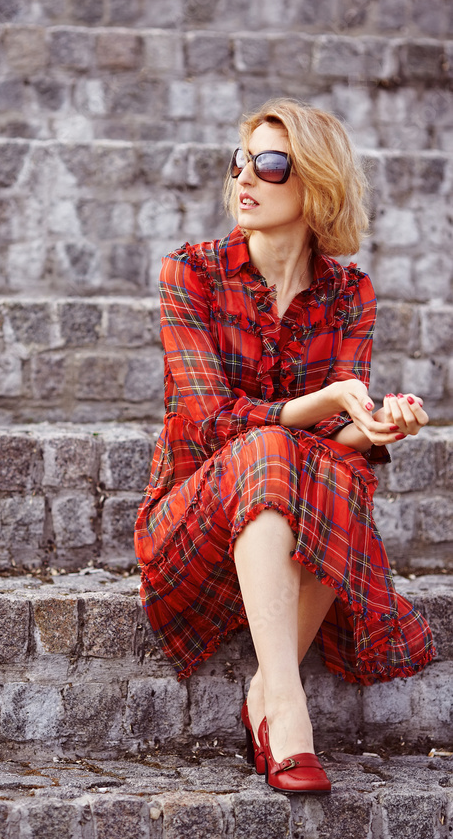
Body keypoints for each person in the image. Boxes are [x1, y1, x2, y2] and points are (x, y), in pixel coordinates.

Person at [133, 98, 435, 795]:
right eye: (241, 160)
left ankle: (263, 696)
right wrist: (327, 401)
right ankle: (287, 707)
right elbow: (209, 423)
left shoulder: (348, 293)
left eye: (270, 164)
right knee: (268, 446)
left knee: (346, 459)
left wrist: (377, 421)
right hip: (191, 527)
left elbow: (340, 434)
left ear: (316, 184)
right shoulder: (190, 273)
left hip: (293, 528)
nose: (245, 177)